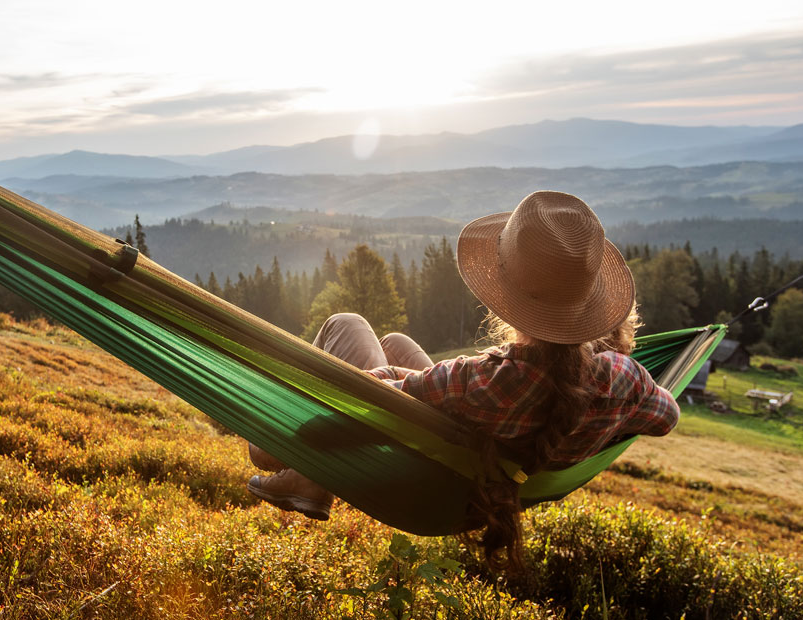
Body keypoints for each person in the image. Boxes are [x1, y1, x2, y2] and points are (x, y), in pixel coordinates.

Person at [245, 190, 680, 571]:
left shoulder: (475, 381)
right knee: (395, 341)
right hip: (484, 468)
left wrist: (364, 388)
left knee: (346, 324)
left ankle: (310, 479)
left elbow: (354, 415)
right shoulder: (626, 380)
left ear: (505, 297)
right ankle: (312, 479)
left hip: (420, 472)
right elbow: (666, 418)